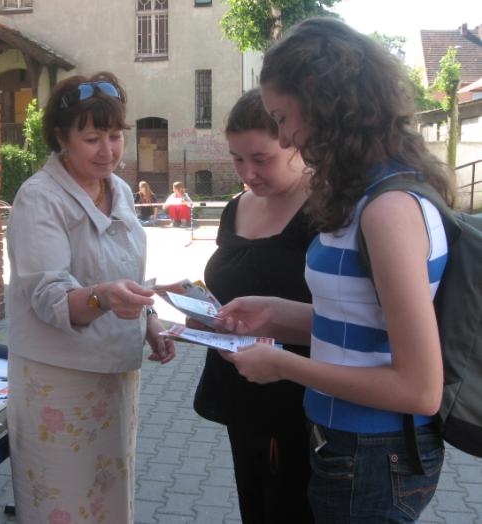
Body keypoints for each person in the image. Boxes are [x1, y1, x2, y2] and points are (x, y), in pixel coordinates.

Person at [218, 18, 453, 523]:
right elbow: (365, 326)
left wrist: (282, 365)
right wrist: (273, 314)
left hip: (373, 451)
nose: (285, 136)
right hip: (348, 446)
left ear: (322, 102)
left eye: (283, 118)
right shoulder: (363, 192)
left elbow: (419, 388)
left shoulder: (387, 209)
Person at [5, 71, 176, 524]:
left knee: (110, 496)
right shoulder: (40, 199)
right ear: (61, 138)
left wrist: (149, 320)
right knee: (64, 503)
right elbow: (48, 295)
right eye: (92, 138)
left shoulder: (116, 189)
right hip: (61, 382)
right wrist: (102, 297)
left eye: (116, 136)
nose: (108, 151)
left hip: (115, 374)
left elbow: (127, 272)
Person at [191, 89, 315, 523]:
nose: (248, 174)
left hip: (299, 402)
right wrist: (200, 310)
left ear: (294, 140)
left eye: (261, 159)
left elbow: (352, 318)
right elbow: (235, 283)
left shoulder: (327, 210)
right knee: (255, 507)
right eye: (237, 159)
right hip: (240, 394)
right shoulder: (236, 208)